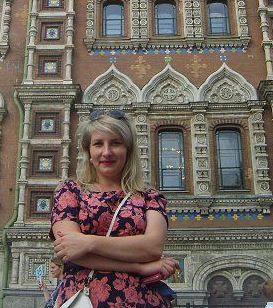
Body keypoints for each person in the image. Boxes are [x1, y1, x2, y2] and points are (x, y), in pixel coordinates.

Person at [51, 109, 179, 307]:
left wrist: (89, 242)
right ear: (88, 152)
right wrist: (138, 267)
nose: (107, 152)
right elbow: (69, 250)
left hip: (142, 301)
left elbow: (152, 247)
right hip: (84, 299)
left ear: (128, 150)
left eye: (116, 143)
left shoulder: (149, 197)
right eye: (98, 144)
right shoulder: (70, 191)